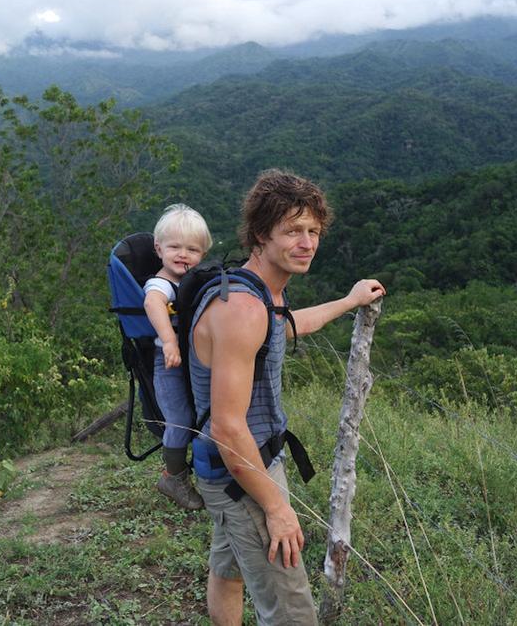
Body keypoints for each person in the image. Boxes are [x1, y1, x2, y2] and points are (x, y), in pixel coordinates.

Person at [188, 170, 386, 625]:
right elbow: (228, 426)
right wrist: (277, 508)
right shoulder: (242, 309)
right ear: (261, 233)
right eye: (293, 230)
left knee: (229, 572)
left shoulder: (257, 292)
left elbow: (289, 323)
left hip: (228, 469)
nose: (307, 242)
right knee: (291, 613)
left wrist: (350, 300)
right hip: (243, 474)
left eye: (313, 231)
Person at [143, 203, 213, 510]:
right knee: (181, 420)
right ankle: (173, 477)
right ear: (159, 249)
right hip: (168, 361)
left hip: (194, 361)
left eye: (192, 249)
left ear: (203, 255)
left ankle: (210, 476)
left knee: (204, 416)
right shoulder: (161, 283)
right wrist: (169, 341)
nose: (183, 254)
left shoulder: (190, 282)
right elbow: (153, 303)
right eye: (174, 247)